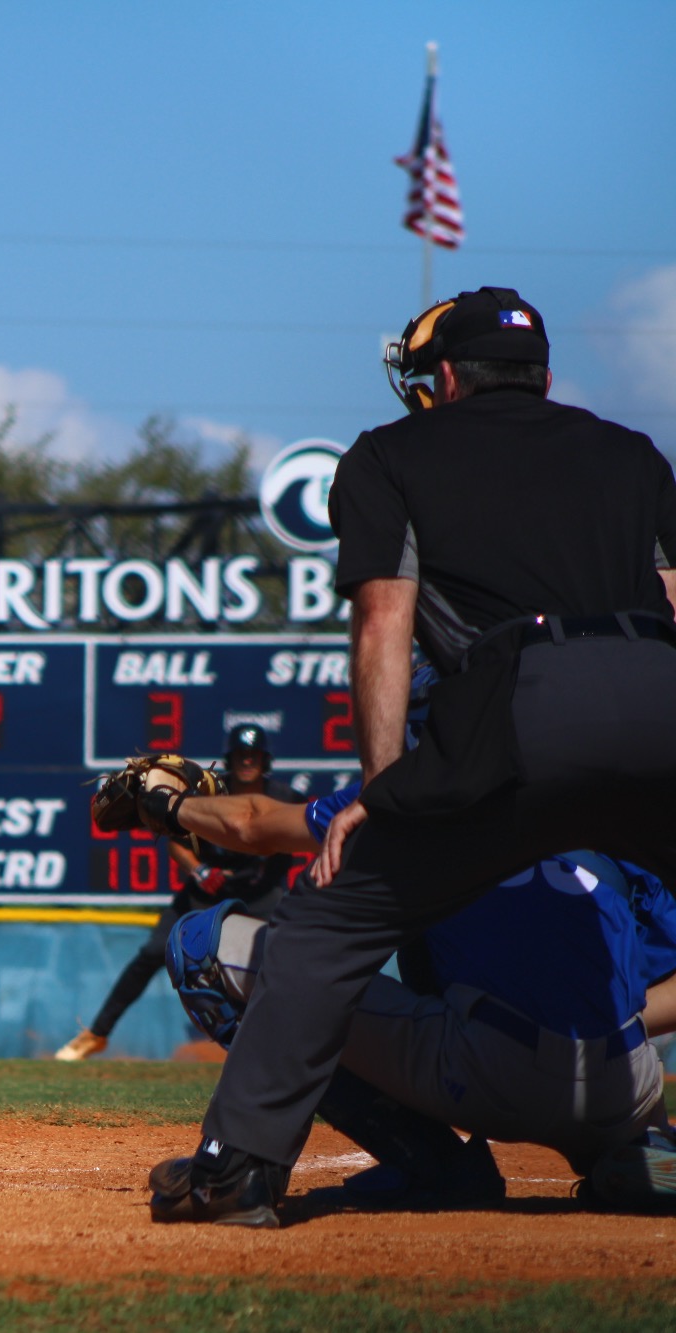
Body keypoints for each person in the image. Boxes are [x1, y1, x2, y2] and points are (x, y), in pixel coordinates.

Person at [150, 286, 676, 1226]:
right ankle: (634, 1138)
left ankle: (239, 1175)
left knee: (322, 930)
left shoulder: (390, 453)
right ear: (545, 377)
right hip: (659, 698)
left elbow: (384, 625)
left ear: (439, 379)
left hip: (525, 712)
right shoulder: (634, 455)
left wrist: (386, 792)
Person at [148, 765, 676, 1212]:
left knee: (200, 945)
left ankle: (433, 1165)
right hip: (625, 1085)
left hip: (487, 1070)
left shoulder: (421, 789)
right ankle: (639, 1149)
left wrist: (166, 804)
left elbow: (250, 822)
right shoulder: (610, 809)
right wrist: (605, 1024)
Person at [54, 725, 300, 1060]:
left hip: (261, 895)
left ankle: (292, 1046)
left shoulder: (284, 797)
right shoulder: (214, 792)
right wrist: (199, 870)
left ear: (264, 760)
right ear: (230, 758)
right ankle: (96, 1034)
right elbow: (176, 839)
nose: (247, 761)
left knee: (284, 961)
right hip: (205, 890)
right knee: (153, 952)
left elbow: (305, 836)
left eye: (253, 755)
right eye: (241, 754)